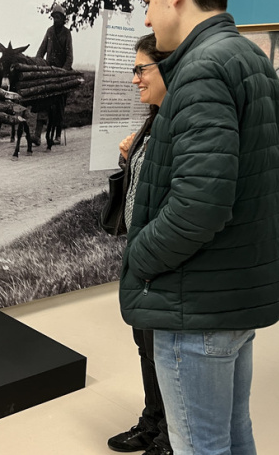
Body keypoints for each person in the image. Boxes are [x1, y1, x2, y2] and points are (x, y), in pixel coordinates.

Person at [121, 0, 279, 455]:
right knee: (232, 436)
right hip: (233, 300)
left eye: (149, 0)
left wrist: (139, 256)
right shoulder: (251, 62)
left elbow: (200, 205)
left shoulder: (201, 70)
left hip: (195, 307)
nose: (147, 17)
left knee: (200, 446)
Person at [107, 33, 173, 455]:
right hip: (142, 257)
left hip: (158, 261)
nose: (135, 79)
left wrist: (147, 252)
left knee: (165, 352)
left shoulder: (181, 122)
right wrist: (128, 159)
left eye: (140, 69)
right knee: (146, 345)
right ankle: (153, 422)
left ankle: (169, 437)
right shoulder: (156, 119)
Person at [33, 3, 73, 145]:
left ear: (63, 19)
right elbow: (41, 49)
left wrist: (63, 71)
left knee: (59, 104)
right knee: (43, 100)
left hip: (61, 73)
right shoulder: (49, 32)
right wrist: (37, 63)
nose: (56, 20)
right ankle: (37, 135)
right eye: (54, 17)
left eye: (58, 17)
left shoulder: (67, 33)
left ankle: (57, 134)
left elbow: (69, 57)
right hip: (48, 72)